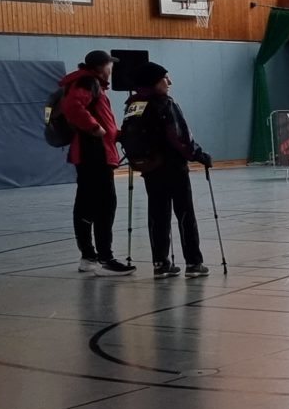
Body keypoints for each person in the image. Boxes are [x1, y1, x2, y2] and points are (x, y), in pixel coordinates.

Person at [119, 62, 210, 278]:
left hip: (150, 167)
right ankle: (193, 263)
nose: (169, 82)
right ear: (154, 82)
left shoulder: (133, 105)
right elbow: (180, 137)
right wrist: (199, 155)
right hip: (173, 166)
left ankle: (160, 263)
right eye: (165, 78)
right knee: (185, 213)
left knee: (157, 214)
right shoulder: (165, 104)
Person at [58, 50, 133, 276]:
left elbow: (102, 121)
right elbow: (72, 107)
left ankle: (88, 257)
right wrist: (94, 128)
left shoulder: (90, 83)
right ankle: (105, 258)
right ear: (101, 67)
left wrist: (115, 134)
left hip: (90, 153)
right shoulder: (88, 82)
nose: (112, 69)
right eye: (110, 65)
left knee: (86, 204)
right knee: (105, 205)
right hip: (94, 154)